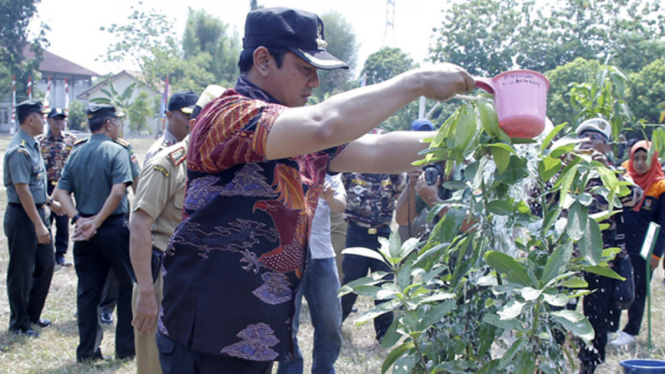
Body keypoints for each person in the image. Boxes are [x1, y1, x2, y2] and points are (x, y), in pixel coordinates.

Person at [157, 7, 473, 373]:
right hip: (208, 335)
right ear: (263, 60)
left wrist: (475, 138)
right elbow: (325, 124)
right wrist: (416, 82)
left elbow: (379, 150)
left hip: (250, 336)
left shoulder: (296, 130)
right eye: (306, 69)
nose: (315, 84)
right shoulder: (227, 115)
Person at [129, 84, 223, 374]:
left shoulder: (221, 166)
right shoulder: (167, 163)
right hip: (162, 275)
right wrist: (146, 292)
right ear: (197, 123)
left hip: (200, 279)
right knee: (154, 363)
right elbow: (140, 224)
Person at [53, 103, 136, 362]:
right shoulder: (117, 150)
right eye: (118, 122)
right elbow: (119, 191)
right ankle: (125, 349)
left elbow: (61, 193)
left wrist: (80, 219)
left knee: (88, 292)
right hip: (111, 227)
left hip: (84, 231)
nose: (119, 126)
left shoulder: (76, 152)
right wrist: (97, 222)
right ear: (109, 124)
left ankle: (87, 351)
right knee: (127, 287)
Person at [573, 118, 641, 374]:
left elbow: (634, 197)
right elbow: (537, 200)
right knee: (557, 314)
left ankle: (589, 365)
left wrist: (606, 172)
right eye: (585, 135)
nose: (589, 141)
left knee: (596, 319)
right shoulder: (562, 171)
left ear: (608, 147)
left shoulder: (614, 174)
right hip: (565, 261)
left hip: (601, 262)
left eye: (596, 137)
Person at [276, 173, 346, 374]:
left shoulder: (328, 172)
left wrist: (330, 197)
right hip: (290, 258)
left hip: (322, 257)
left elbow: (341, 205)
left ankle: (324, 369)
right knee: (288, 327)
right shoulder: (285, 167)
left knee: (331, 323)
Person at [339, 140, 407, 341]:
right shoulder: (352, 171)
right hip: (357, 233)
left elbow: (401, 189)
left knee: (384, 283)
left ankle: (384, 334)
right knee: (352, 281)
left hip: (382, 233)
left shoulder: (392, 172)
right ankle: (336, 324)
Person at [3, 99, 58, 338]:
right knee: (21, 271)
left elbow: (34, 186)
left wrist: (49, 202)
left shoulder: (33, 146)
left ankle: (33, 314)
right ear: (31, 119)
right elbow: (22, 189)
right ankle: (19, 322)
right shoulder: (19, 150)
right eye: (42, 116)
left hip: (37, 211)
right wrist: (38, 224)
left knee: (45, 265)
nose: (45, 121)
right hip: (23, 216)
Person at [609, 140, 665, 349]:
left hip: (644, 249)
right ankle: (610, 328)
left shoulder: (660, 185)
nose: (641, 163)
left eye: (645, 158)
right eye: (637, 158)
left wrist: (656, 255)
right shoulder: (623, 178)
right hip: (620, 244)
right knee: (615, 286)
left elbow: (663, 223)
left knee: (638, 290)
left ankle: (631, 330)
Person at [38, 108, 77, 266]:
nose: (59, 121)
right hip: (46, 184)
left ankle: (60, 254)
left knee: (62, 220)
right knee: (45, 219)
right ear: (48, 120)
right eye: (56, 118)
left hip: (63, 186)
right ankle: (44, 253)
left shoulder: (71, 139)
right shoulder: (41, 141)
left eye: (61, 118)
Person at [145, 91, 198, 163]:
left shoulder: (195, 148)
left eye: (196, 117)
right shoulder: (159, 152)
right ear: (169, 116)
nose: (193, 122)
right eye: (188, 116)